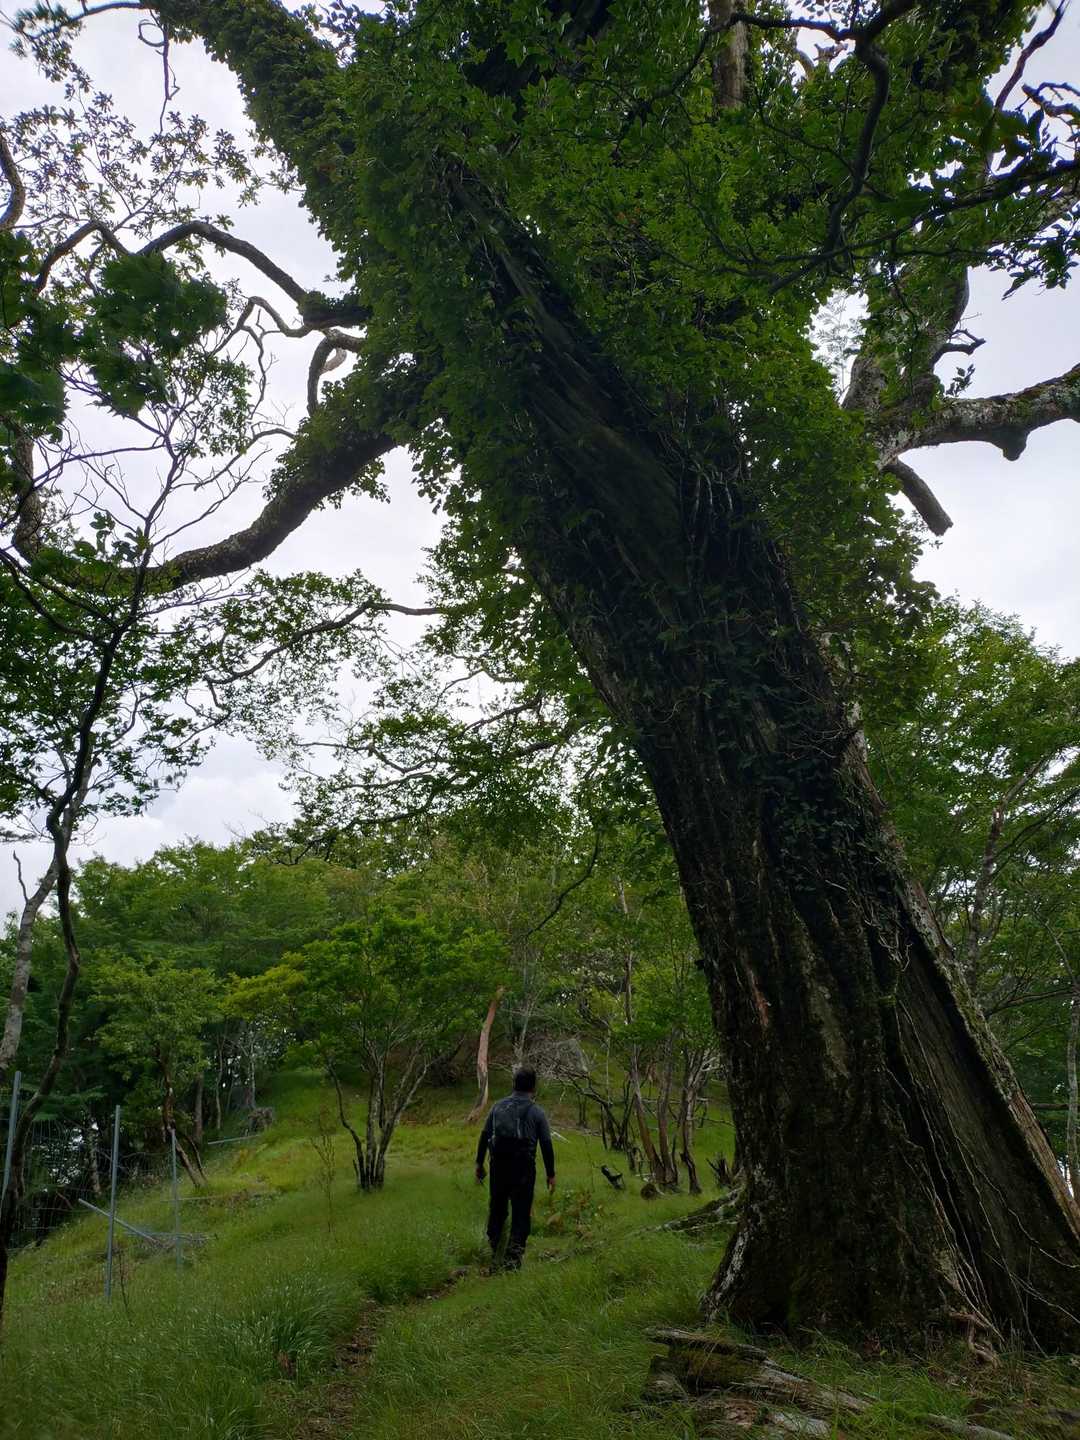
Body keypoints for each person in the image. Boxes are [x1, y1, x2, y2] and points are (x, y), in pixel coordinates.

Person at [475, 1067, 556, 1270]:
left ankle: (494, 1249)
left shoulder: (497, 1107)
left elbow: (484, 1136)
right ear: (533, 1087)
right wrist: (551, 1174)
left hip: (498, 1166)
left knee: (497, 1208)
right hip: (523, 1169)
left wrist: (479, 1163)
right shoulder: (537, 1112)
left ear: (514, 1084)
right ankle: (513, 1259)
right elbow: (546, 1144)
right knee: (521, 1212)